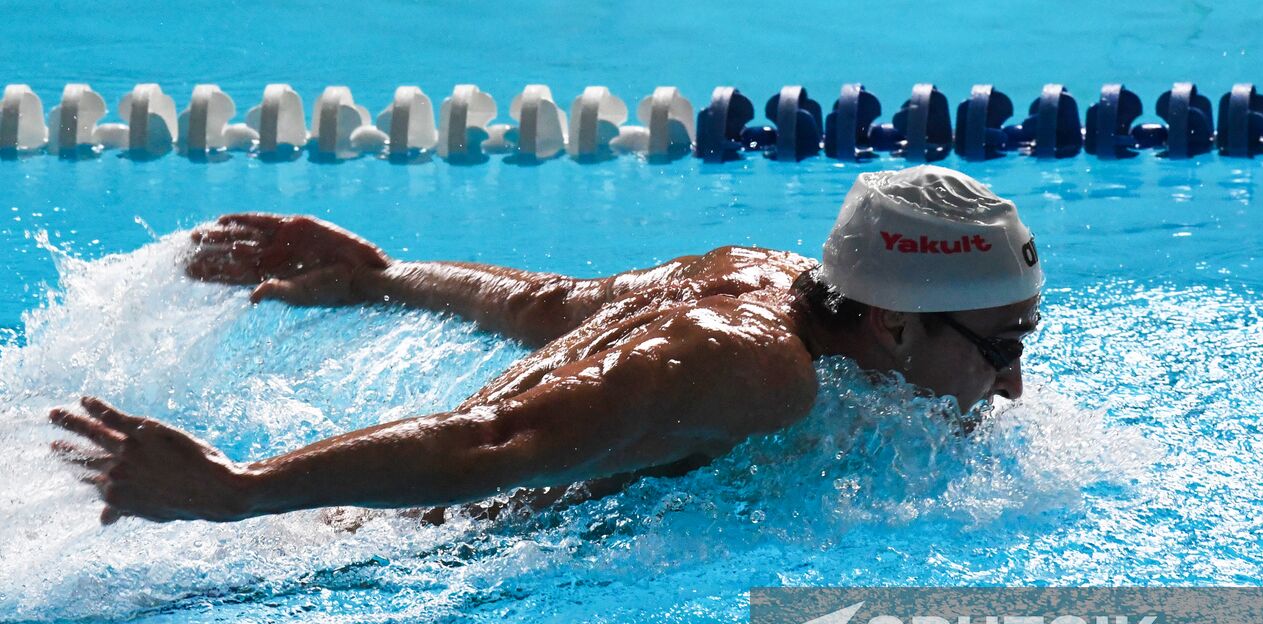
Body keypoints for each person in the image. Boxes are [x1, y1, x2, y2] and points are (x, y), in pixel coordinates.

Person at [49, 165, 1042, 524]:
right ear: (894, 321)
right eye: (998, 346)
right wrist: (241, 491)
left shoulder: (764, 272)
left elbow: (555, 303)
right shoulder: (756, 372)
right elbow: (492, 443)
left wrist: (383, 278)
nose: (1008, 385)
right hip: (423, 544)